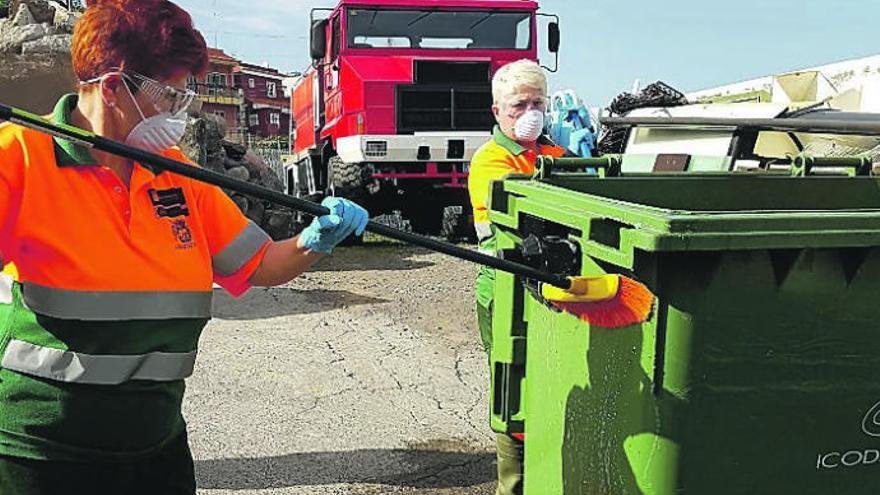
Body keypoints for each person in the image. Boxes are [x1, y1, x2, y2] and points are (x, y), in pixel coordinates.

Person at [0, 1, 368, 493]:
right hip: (38, 456)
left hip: (158, 449)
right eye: (168, 96)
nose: (179, 111)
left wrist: (312, 240)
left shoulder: (176, 172)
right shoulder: (19, 156)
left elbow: (258, 263)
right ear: (113, 87)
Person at [467, 59, 566, 495]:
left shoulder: (556, 155)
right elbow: (526, 212)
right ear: (497, 112)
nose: (531, 113)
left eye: (538, 102)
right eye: (519, 104)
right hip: (507, 291)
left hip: (555, 289)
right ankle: (515, 486)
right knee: (515, 387)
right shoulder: (491, 161)